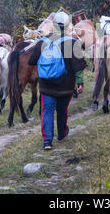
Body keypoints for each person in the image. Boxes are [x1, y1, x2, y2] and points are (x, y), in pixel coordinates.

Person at [28, 12, 87, 150]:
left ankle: (47, 141)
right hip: (65, 86)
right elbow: (78, 67)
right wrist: (80, 83)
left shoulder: (43, 41)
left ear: (53, 25)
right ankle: (61, 134)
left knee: (47, 111)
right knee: (62, 111)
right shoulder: (72, 42)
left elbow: (31, 61)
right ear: (67, 25)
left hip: (46, 85)